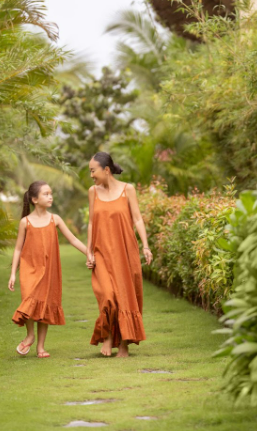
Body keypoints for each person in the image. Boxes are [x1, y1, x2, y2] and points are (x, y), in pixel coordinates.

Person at [8, 181, 90, 358]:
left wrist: (88, 253)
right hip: (29, 269)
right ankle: (30, 335)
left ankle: (41, 348)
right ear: (34, 199)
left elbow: (74, 240)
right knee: (29, 301)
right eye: (46, 194)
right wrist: (13, 273)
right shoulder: (25, 222)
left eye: (51, 193)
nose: (50, 196)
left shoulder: (55, 219)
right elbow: (17, 249)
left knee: (44, 306)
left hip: (49, 271)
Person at [86, 152, 153, 357]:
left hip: (125, 251)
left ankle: (123, 345)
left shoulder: (127, 189)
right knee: (107, 295)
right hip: (102, 252)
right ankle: (107, 338)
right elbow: (91, 223)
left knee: (124, 296)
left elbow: (138, 219)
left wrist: (146, 246)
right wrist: (89, 251)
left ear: (106, 170)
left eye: (93, 170)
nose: (91, 175)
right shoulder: (93, 192)